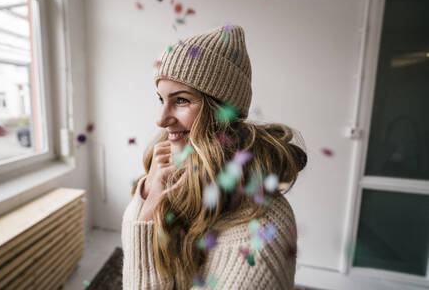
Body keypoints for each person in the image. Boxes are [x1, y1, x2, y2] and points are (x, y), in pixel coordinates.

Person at [121, 25, 307, 289]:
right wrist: (149, 197)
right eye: (160, 99)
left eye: (182, 100)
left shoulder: (255, 233)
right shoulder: (167, 177)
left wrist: (149, 214)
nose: (161, 119)